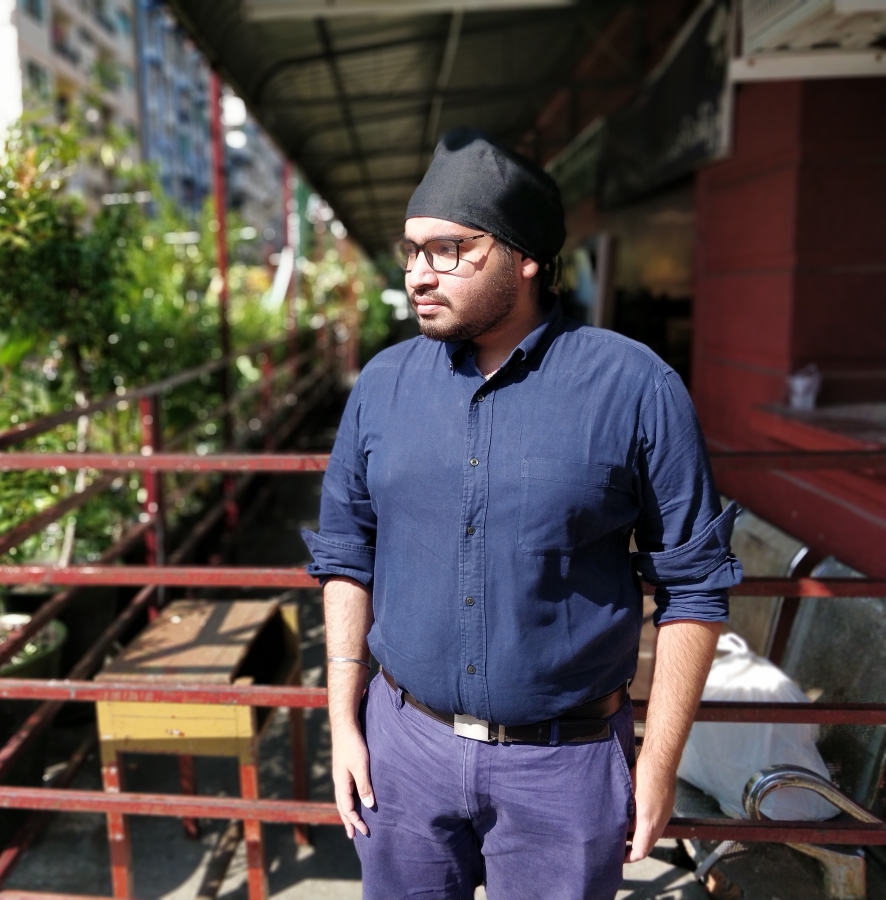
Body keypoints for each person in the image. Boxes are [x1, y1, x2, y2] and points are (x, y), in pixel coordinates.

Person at [302, 128, 742, 900]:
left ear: (525, 256)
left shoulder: (636, 387)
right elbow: (346, 552)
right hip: (403, 750)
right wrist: (345, 720)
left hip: (564, 767)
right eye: (410, 252)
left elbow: (695, 588)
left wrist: (660, 762)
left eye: (447, 249)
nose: (418, 276)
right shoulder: (382, 385)